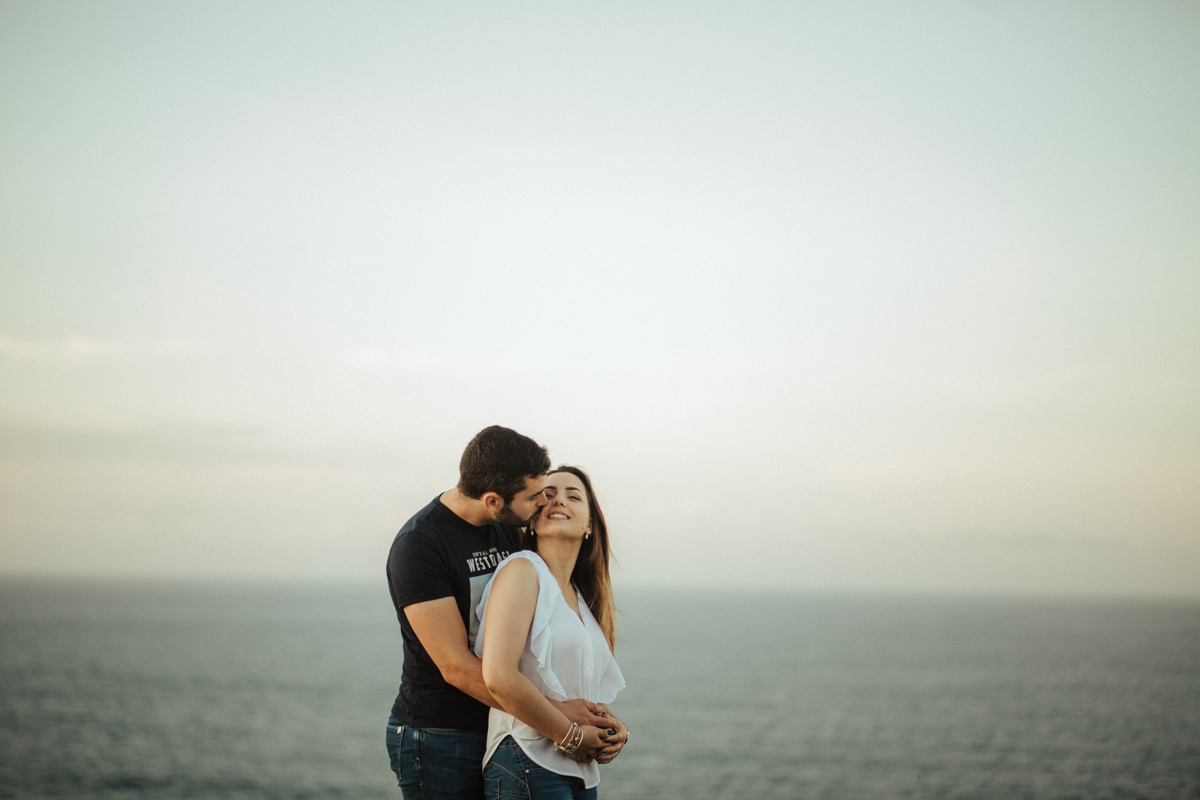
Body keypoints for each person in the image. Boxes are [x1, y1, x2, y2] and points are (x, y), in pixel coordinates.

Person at [385, 428, 625, 800]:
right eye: (535, 497)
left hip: (507, 720)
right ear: (493, 501)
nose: (542, 503)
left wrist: (601, 724)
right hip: (440, 732)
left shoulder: (507, 530)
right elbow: (456, 667)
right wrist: (563, 721)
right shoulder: (419, 546)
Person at [474, 466, 627, 800]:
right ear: (532, 518)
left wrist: (615, 730)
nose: (559, 500)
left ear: (589, 524)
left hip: (580, 773)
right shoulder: (523, 570)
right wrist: (572, 737)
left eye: (573, 496)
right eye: (548, 494)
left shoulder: (583, 598)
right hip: (526, 759)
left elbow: (574, 688)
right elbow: (499, 676)